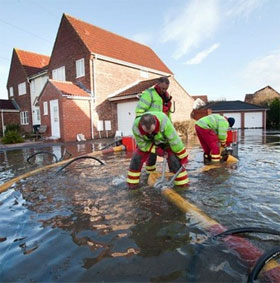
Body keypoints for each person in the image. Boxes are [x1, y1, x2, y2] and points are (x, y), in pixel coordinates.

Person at [127, 112, 189, 189]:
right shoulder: (135, 127)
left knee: (175, 161)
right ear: (141, 126)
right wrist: (157, 150)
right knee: (136, 159)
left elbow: (175, 142)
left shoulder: (164, 121)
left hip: (165, 142)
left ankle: (182, 187)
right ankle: (133, 187)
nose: (150, 133)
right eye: (147, 131)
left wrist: (183, 157)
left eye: (152, 130)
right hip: (148, 143)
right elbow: (142, 145)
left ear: (156, 123)